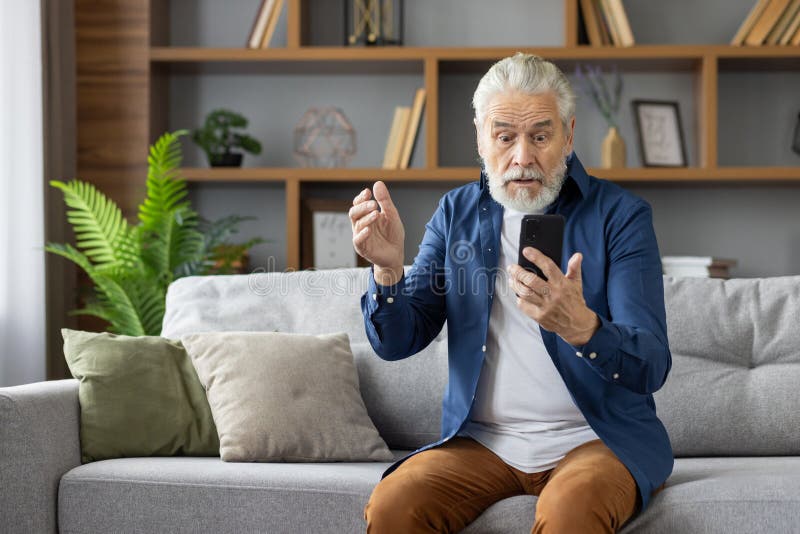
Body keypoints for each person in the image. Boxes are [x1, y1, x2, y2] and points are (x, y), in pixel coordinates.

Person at [349, 52, 672, 534]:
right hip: (481, 445)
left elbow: (652, 363)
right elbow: (398, 342)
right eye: (505, 137)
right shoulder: (455, 213)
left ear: (568, 135)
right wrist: (388, 269)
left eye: (540, 136)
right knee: (395, 505)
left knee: (571, 514)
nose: (522, 157)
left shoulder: (620, 216)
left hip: (596, 440)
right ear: (480, 137)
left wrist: (581, 326)